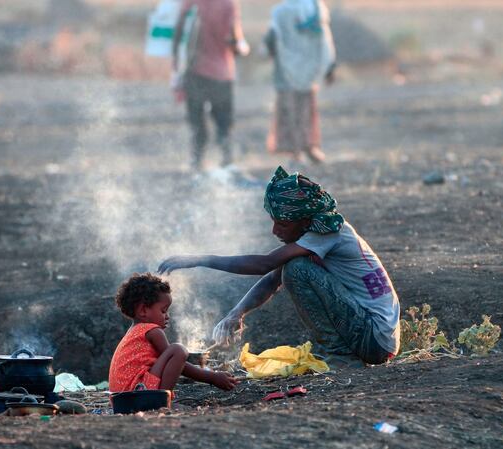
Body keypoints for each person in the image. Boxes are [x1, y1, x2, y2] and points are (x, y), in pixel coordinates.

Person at [158, 166, 400, 366]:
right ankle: (341, 354)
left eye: (282, 224)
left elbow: (266, 264)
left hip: (374, 338)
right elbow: (273, 279)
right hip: (375, 336)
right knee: (292, 268)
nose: (275, 231)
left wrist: (201, 260)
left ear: (304, 220)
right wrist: (236, 313)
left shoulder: (328, 232)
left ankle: (341, 358)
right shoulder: (318, 229)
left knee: (296, 270)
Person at [108, 273, 238, 392]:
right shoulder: (152, 331)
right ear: (143, 311)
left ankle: (158, 399)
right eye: (163, 311)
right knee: (178, 350)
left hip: (122, 399)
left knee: (174, 351)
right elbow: (181, 363)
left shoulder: (132, 332)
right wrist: (213, 377)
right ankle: (160, 401)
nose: (167, 316)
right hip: (138, 392)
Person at [172, 0, 250, 170]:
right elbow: (235, 40)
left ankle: (197, 160)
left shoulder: (191, 2)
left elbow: (179, 35)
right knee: (223, 121)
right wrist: (242, 48)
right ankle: (227, 159)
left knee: (196, 119)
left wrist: (176, 66)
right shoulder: (228, 4)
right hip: (222, 73)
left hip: (194, 71)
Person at [264, 0, 335, 163]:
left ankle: (295, 150)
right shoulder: (315, 8)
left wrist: (270, 53)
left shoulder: (281, 11)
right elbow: (325, 40)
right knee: (305, 108)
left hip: (286, 68)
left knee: (289, 108)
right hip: (308, 67)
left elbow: (272, 39)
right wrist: (329, 66)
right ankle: (308, 147)